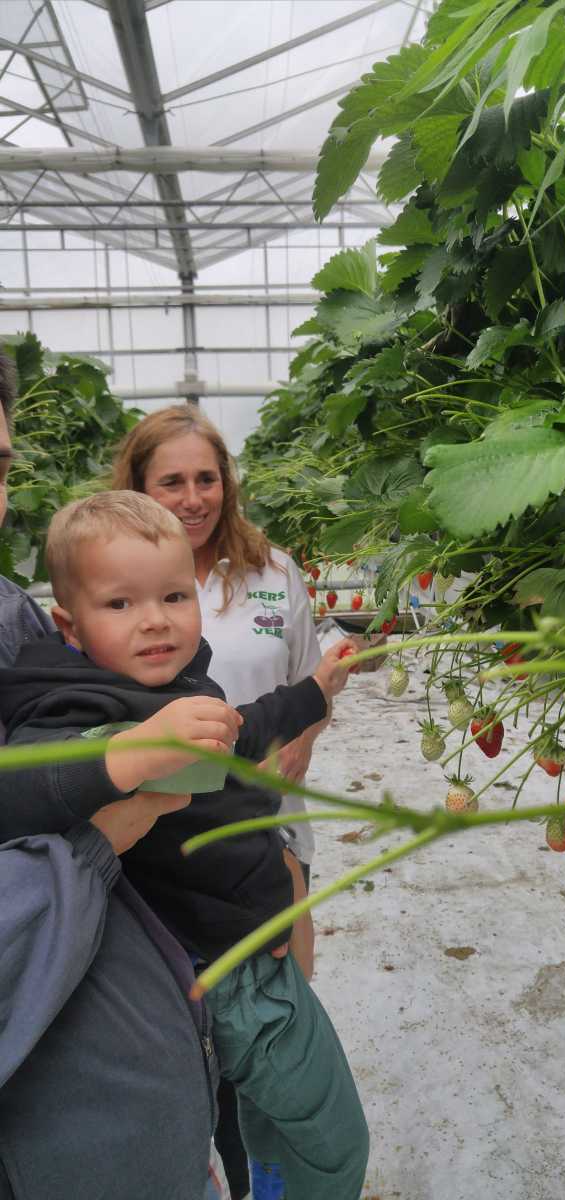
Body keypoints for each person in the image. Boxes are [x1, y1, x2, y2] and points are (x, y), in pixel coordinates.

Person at [0, 489, 370, 1200]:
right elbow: (24, 781)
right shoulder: (75, 703)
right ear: (68, 626)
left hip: (238, 951)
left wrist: (317, 691)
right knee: (333, 1142)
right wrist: (122, 755)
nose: (155, 620)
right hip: (224, 978)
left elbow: (242, 728)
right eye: (120, 603)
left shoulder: (174, 681)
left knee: (263, 1126)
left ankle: (266, 1186)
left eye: (173, 596)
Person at [0, 353, 219, 1200]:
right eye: (120, 604)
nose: (150, 622)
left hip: (154, 1094)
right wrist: (98, 834)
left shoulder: (11, 614)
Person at [111, 405, 327, 1198]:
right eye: (171, 481)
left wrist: (302, 744)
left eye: (207, 478)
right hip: (163, 857)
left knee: (271, 1027)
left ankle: (260, 1177)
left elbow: (307, 683)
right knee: (181, 1036)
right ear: (139, 486)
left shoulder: (272, 571)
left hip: (272, 836)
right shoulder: (111, 576)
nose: (193, 497)